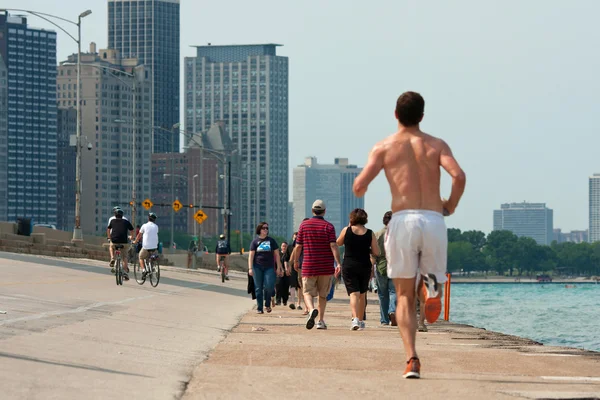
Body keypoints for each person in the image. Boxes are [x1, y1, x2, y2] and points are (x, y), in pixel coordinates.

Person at [353, 91, 466, 379]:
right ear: (422, 116)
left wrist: (362, 185)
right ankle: (430, 290)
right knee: (429, 279)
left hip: (402, 219)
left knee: (402, 295)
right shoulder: (436, 145)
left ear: (395, 115)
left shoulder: (385, 147)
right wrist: (449, 206)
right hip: (433, 218)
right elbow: (458, 176)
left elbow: (359, 185)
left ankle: (411, 358)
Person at [295, 200, 342, 330]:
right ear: (324, 211)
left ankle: (311, 310)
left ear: (312, 211)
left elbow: (298, 246)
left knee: (307, 292)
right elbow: (333, 245)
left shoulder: (304, 225)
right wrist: (338, 263)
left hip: (308, 265)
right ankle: (320, 321)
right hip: (326, 267)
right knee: (323, 295)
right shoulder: (329, 227)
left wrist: (295, 261)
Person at [337, 208, 380, 330]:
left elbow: (338, 242)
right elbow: (376, 252)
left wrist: (348, 227)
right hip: (364, 265)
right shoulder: (369, 232)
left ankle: (355, 319)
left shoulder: (347, 230)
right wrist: (367, 249)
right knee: (362, 294)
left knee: (353, 294)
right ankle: (360, 321)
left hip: (349, 265)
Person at [248, 222, 283, 314]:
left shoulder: (271, 241)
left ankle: (267, 303)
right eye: (264, 228)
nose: (266, 230)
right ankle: (259, 308)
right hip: (257, 267)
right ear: (259, 229)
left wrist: (279, 267)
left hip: (269, 267)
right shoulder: (255, 242)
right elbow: (251, 256)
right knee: (258, 288)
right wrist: (250, 268)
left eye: (267, 228)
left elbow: (277, 254)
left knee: (269, 286)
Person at [372, 211, 398, 327]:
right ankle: (392, 310)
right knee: (394, 291)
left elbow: (373, 253)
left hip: (381, 266)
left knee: (382, 294)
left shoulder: (377, 234)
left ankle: (384, 320)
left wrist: (371, 268)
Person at [106, 209, 134, 280]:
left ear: (115, 215)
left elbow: (108, 229)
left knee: (111, 246)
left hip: (114, 241)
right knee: (124, 257)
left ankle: (112, 258)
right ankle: (124, 272)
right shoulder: (126, 221)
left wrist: (109, 237)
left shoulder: (112, 221)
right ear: (122, 215)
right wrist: (131, 237)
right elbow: (132, 230)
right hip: (124, 242)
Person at [133, 212, 159, 277]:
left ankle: (144, 270)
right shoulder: (156, 226)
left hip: (146, 247)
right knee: (152, 256)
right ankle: (152, 267)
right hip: (154, 247)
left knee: (141, 257)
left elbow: (139, 235)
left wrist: (135, 241)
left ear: (148, 218)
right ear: (154, 220)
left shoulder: (144, 225)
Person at [275, 242, 290, 306]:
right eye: (283, 246)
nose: (284, 247)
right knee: (278, 285)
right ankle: (278, 300)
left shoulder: (289, 255)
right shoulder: (278, 254)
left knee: (285, 286)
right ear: (281, 247)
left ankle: (285, 300)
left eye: (285, 246)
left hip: (287, 273)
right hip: (279, 272)